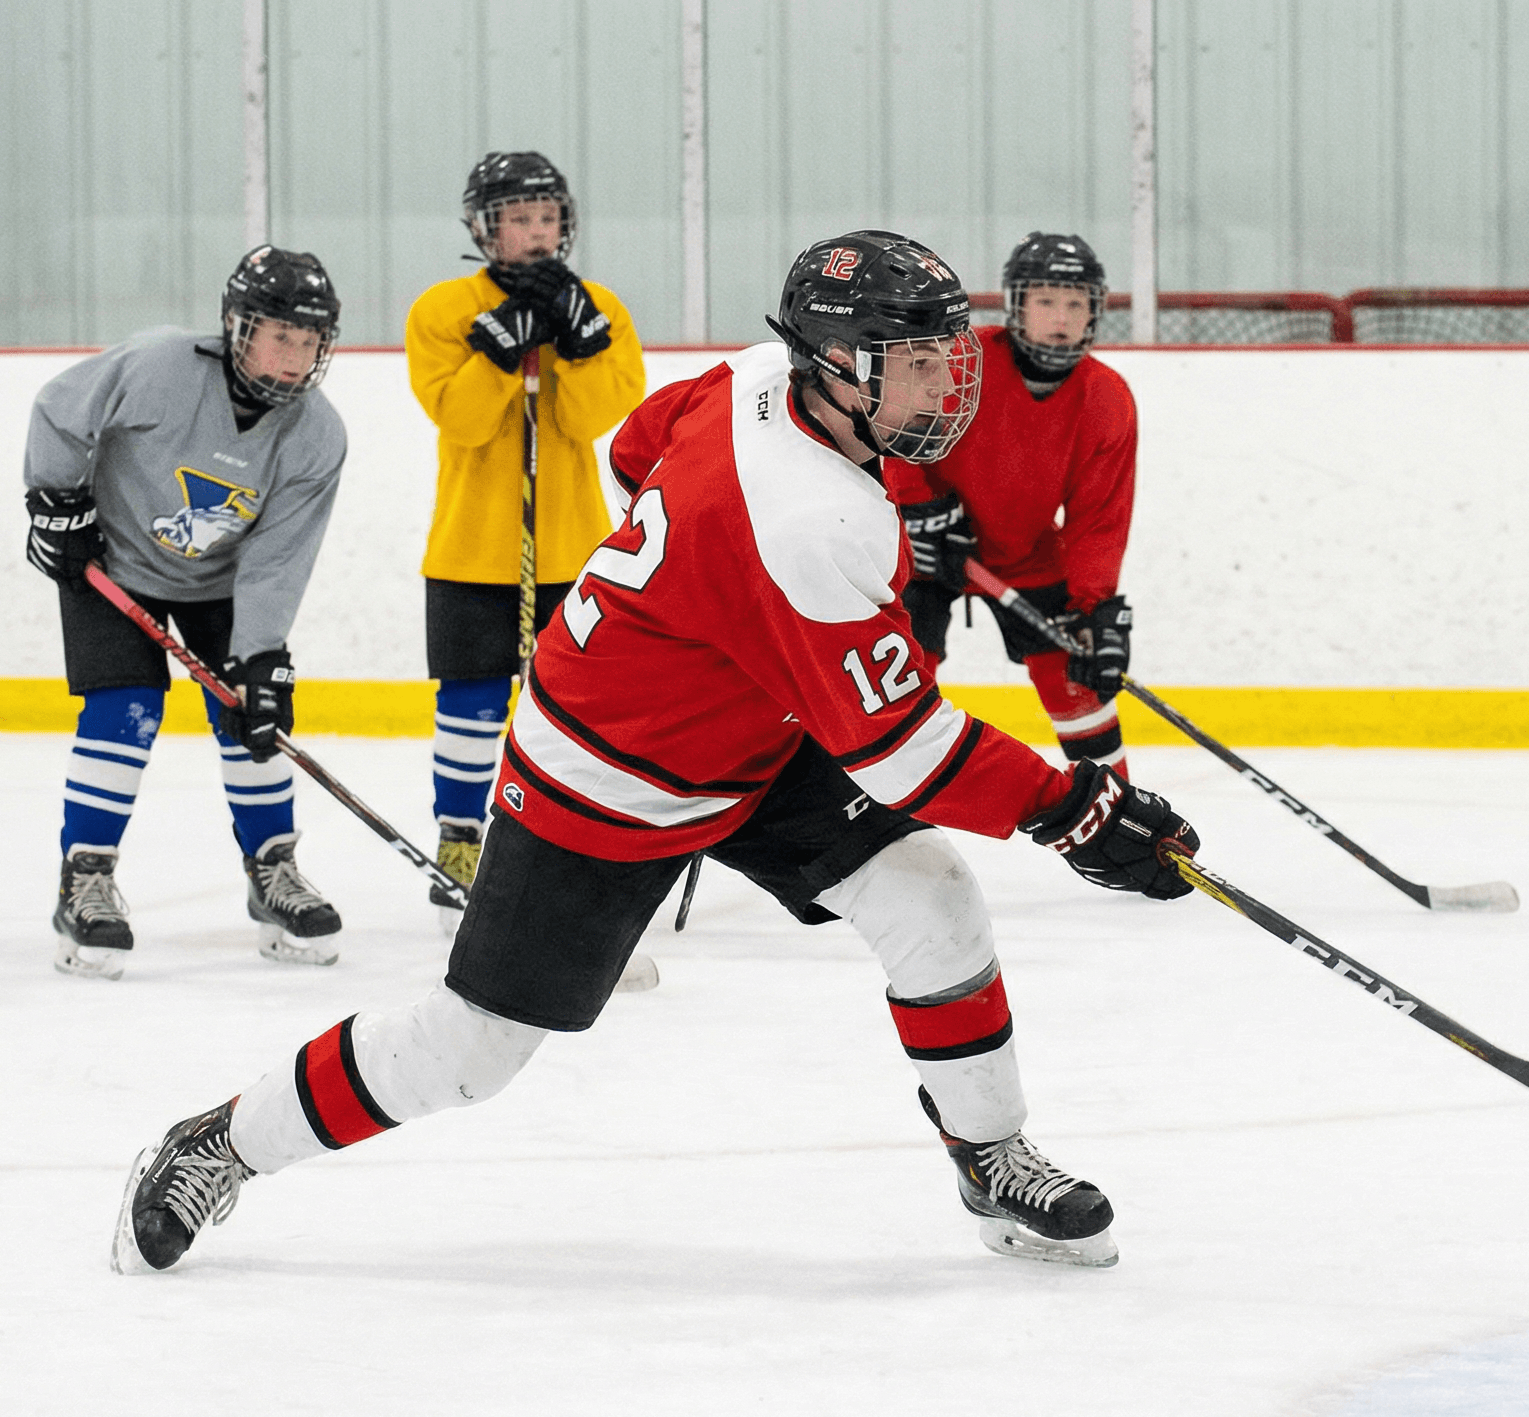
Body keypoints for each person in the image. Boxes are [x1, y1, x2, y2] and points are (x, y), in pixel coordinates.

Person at [111, 230, 1202, 1279]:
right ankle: (221, 1144)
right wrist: (1077, 812)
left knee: (930, 894)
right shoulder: (811, 519)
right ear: (836, 365)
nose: (947, 385)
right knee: (469, 1053)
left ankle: (989, 1157)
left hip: (752, 735)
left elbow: (635, 449)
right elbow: (903, 750)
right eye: (915, 363)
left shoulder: (756, 375)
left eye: (947, 354)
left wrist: (711, 620)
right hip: (606, 772)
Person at [23, 245, 349, 978]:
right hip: (113, 565)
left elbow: (279, 556)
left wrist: (261, 654)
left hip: (223, 587)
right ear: (238, 326)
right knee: (125, 708)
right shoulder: (158, 367)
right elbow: (60, 412)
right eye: (280, 335)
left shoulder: (316, 434)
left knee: (252, 714)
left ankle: (273, 869)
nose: (295, 357)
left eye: (309, 341)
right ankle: (86, 880)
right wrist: (57, 502)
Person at [405, 150, 646, 930]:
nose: (537, 232)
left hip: (575, 552)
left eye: (547, 217)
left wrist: (579, 345)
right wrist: (496, 354)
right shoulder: (443, 310)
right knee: (470, 707)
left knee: (575, 711)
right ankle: (460, 841)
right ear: (485, 229)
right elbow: (466, 422)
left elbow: (588, 420)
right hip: (471, 550)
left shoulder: (600, 306)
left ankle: (567, 844)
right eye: (519, 219)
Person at [881, 232, 1138, 771]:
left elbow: (1098, 520)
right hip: (924, 550)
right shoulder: (962, 359)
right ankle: (870, 801)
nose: (1061, 317)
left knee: (1078, 682)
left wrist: (1094, 608)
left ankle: (1116, 807)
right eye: (1045, 301)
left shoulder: (1106, 398)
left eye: (1076, 304)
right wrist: (918, 508)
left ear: (1095, 312)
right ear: (1017, 304)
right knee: (897, 680)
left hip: (1025, 556)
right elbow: (896, 424)